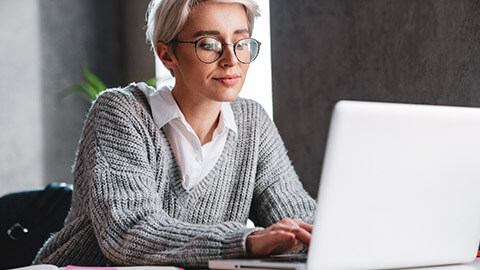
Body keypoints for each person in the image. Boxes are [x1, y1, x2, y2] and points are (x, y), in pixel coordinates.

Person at [33, 0, 316, 268]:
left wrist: (320, 235)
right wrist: (245, 241)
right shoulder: (121, 111)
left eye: (241, 43)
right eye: (209, 44)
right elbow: (129, 233)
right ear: (167, 54)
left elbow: (296, 215)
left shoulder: (252, 122)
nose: (231, 60)